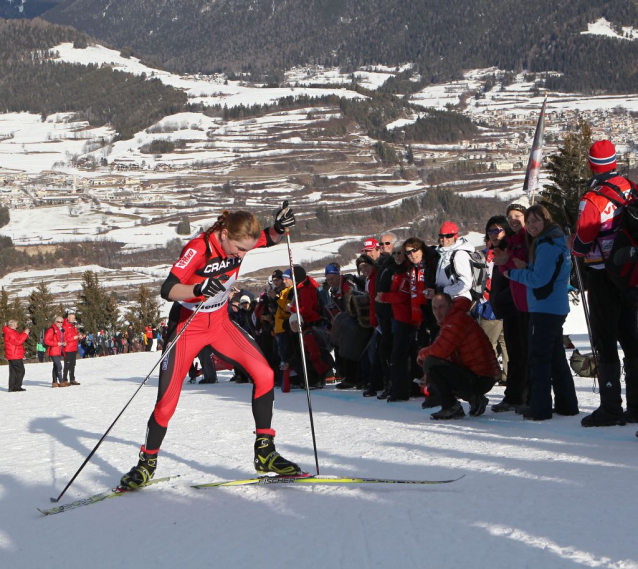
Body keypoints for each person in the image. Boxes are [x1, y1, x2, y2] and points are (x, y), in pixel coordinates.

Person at [119, 206, 303, 490]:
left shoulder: (240, 243)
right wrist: (198, 289)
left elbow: (269, 238)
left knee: (265, 374)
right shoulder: (198, 248)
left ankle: (265, 452)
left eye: (246, 251)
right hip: (187, 327)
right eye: (239, 249)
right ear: (225, 234)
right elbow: (167, 289)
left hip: (219, 324)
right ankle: (146, 464)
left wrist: (279, 227)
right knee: (166, 403)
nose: (242, 256)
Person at [571, 140, 638, 427]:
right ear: (614, 161)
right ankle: (635, 405)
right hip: (630, 269)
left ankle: (610, 407)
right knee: (632, 338)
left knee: (605, 339)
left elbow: (583, 242)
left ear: (590, 164)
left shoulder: (592, 198)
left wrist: (572, 244)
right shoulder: (630, 187)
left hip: (601, 273)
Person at [505, 205, 579, 420]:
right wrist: (527, 269)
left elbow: (539, 280)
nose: (531, 226)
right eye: (529, 222)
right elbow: (548, 274)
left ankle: (540, 407)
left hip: (545, 308)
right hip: (553, 306)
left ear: (545, 220)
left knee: (539, 358)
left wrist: (515, 273)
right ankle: (566, 404)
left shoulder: (546, 244)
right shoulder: (556, 240)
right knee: (555, 356)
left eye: (536, 220)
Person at [417, 294, 500, 420]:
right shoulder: (453, 319)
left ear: (450, 306)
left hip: (481, 377)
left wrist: (421, 355)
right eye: (434, 308)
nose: (437, 312)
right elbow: (447, 355)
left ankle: (451, 407)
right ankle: (474, 399)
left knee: (430, 361)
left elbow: (440, 351)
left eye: (441, 307)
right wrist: (428, 375)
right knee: (433, 367)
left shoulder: (456, 320)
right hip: (481, 375)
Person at [491, 197, 531, 413]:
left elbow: (514, 274)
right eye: (510, 217)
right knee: (515, 353)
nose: (514, 220)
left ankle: (526, 395)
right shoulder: (512, 242)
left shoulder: (524, 240)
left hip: (520, 305)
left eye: (518, 216)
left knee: (523, 353)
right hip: (510, 307)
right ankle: (516, 395)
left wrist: (502, 299)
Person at [376, 243, 421, 401]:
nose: (396, 256)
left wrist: (384, 297)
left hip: (407, 318)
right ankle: (410, 388)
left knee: (399, 356)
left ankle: (401, 391)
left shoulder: (407, 272)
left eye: (399, 253)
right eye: (394, 253)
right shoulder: (397, 270)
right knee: (404, 354)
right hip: (399, 317)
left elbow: (403, 296)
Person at [427, 221, 475, 301]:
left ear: (455, 236)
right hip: (446, 301)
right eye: (441, 236)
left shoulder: (459, 254)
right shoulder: (443, 253)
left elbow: (465, 284)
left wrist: (442, 291)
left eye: (448, 236)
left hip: (458, 301)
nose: (444, 239)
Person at [3, 320, 29, 392]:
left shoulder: (11, 332)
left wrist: (24, 333)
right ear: (13, 325)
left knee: (13, 372)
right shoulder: (10, 333)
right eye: (16, 324)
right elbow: (18, 341)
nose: (17, 325)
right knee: (21, 371)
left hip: (13, 355)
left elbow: (17, 339)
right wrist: (25, 334)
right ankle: (17, 386)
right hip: (14, 355)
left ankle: (12, 387)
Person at [45, 317, 68, 388]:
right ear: (55, 322)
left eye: (61, 322)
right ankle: (61, 381)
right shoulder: (51, 330)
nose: (60, 323)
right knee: (59, 366)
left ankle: (54, 382)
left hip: (59, 350)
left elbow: (63, 339)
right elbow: (46, 341)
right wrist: (56, 343)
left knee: (55, 367)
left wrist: (64, 343)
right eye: (58, 322)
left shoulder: (61, 330)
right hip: (53, 350)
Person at [62, 312, 81, 386]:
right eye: (72, 318)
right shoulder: (65, 326)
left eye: (74, 318)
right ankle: (64, 379)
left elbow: (75, 335)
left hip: (73, 347)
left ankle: (72, 379)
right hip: (67, 348)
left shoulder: (73, 326)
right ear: (68, 317)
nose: (73, 319)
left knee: (73, 364)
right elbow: (64, 338)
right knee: (67, 364)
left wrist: (78, 336)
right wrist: (73, 338)